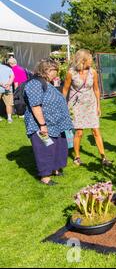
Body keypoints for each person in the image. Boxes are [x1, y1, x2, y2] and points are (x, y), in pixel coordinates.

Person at [24, 58, 73, 186]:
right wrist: (42, 125)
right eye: (54, 71)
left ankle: (55, 169)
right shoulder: (35, 83)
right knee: (45, 149)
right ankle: (45, 176)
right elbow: (35, 106)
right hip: (42, 125)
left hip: (56, 124)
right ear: (46, 70)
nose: (56, 74)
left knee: (59, 147)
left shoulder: (47, 82)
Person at [63, 49, 112, 167]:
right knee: (79, 132)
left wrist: (98, 106)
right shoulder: (71, 73)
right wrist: (63, 105)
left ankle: (103, 157)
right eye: (90, 59)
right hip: (76, 105)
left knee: (96, 130)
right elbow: (65, 89)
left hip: (90, 104)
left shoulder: (93, 72)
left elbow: (96, 89)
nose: (92, 62)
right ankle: (77, 157)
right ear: (83, 60)